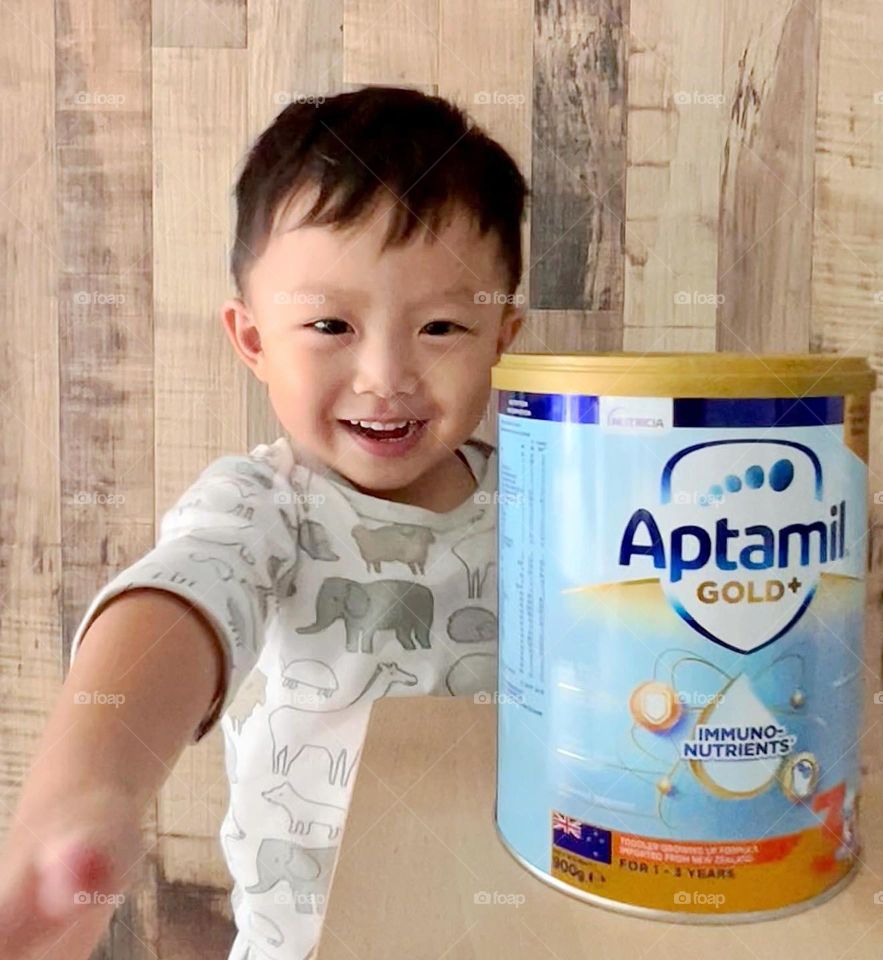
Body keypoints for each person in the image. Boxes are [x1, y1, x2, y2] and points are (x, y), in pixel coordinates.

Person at [0, 84, 527, 960]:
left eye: (440, 326)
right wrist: (91, 785)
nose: (385, 374)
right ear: (252, 341)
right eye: (330, 324)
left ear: (502, 335)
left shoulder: (542, 501)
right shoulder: (266, 506)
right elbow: (183, 596)